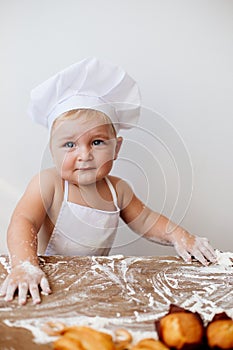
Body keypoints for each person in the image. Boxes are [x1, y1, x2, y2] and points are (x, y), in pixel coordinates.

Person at [0, 57, 216, 305]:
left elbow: (146, 220)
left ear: (116, 148)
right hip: (47, 282)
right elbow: (23, 221)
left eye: (97, 142)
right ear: (52, 150)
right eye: (69, 144)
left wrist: (181, 236)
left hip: (93, 284)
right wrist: (25, 265)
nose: (84, 155)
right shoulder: (49, 183)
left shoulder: (118, 190)